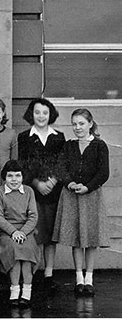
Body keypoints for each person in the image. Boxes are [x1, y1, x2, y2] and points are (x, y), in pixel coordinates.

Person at [52, 108, 109, 297]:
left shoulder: (100, 146)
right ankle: (78, 278)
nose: (77, 128)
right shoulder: (68, 146)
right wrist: (70, 183)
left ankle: (89, 278)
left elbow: (103, 172)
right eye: (74, 124)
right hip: (72, 195)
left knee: (91, 238)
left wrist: (88, 187)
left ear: (90, 124)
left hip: (91, 195)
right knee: (76, 238)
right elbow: (61, 168)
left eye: (81, 124)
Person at [17, 98, 65, 290]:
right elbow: (22, 164)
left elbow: (62, 162)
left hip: (53, 191)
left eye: (45, 112)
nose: (41, 116)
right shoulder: (24, 137)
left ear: (50, 114)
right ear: (31, 114)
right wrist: (37, 183)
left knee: (51, 235)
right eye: (37, 112)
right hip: (33, 191)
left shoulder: (58, 137)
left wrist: (52, 181)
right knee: (35, 232)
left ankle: (49, 273)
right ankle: (33, 272)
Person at [0, 160, 39, 307]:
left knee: (26, 249)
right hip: (7, 231)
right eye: (10, 176)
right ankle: (14, 289)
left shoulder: (29, 191)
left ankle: (27, 290)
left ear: (22, 177)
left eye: (18, 176)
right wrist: (13, 232)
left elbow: (33, 216)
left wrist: (23, 232)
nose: (14, 180)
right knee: (13, 249)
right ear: (4, 177)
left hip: (26, 231)